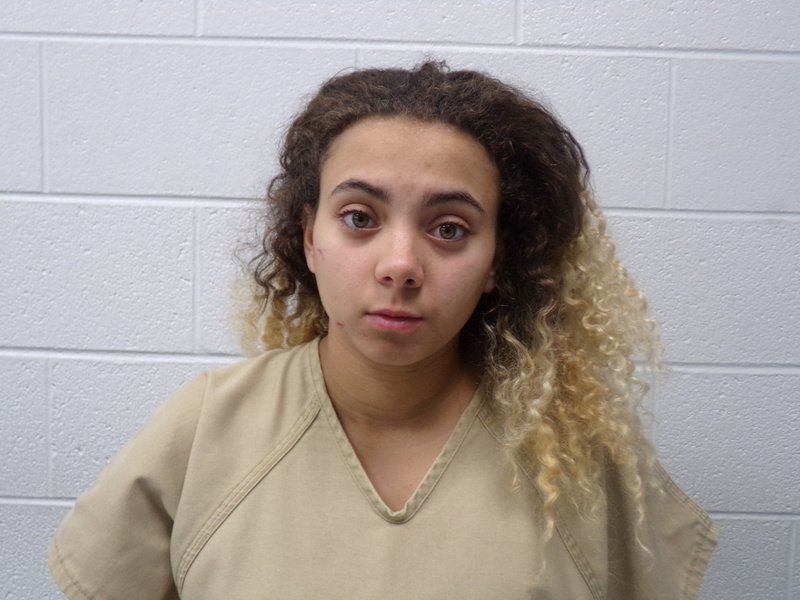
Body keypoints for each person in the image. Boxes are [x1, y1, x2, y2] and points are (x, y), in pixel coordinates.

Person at [48, 59, 720, 599]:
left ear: (497, 261)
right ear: (308, 236)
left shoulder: (577, 457)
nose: (400, 264)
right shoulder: (205, 431)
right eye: (360, 219)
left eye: (449, 229)